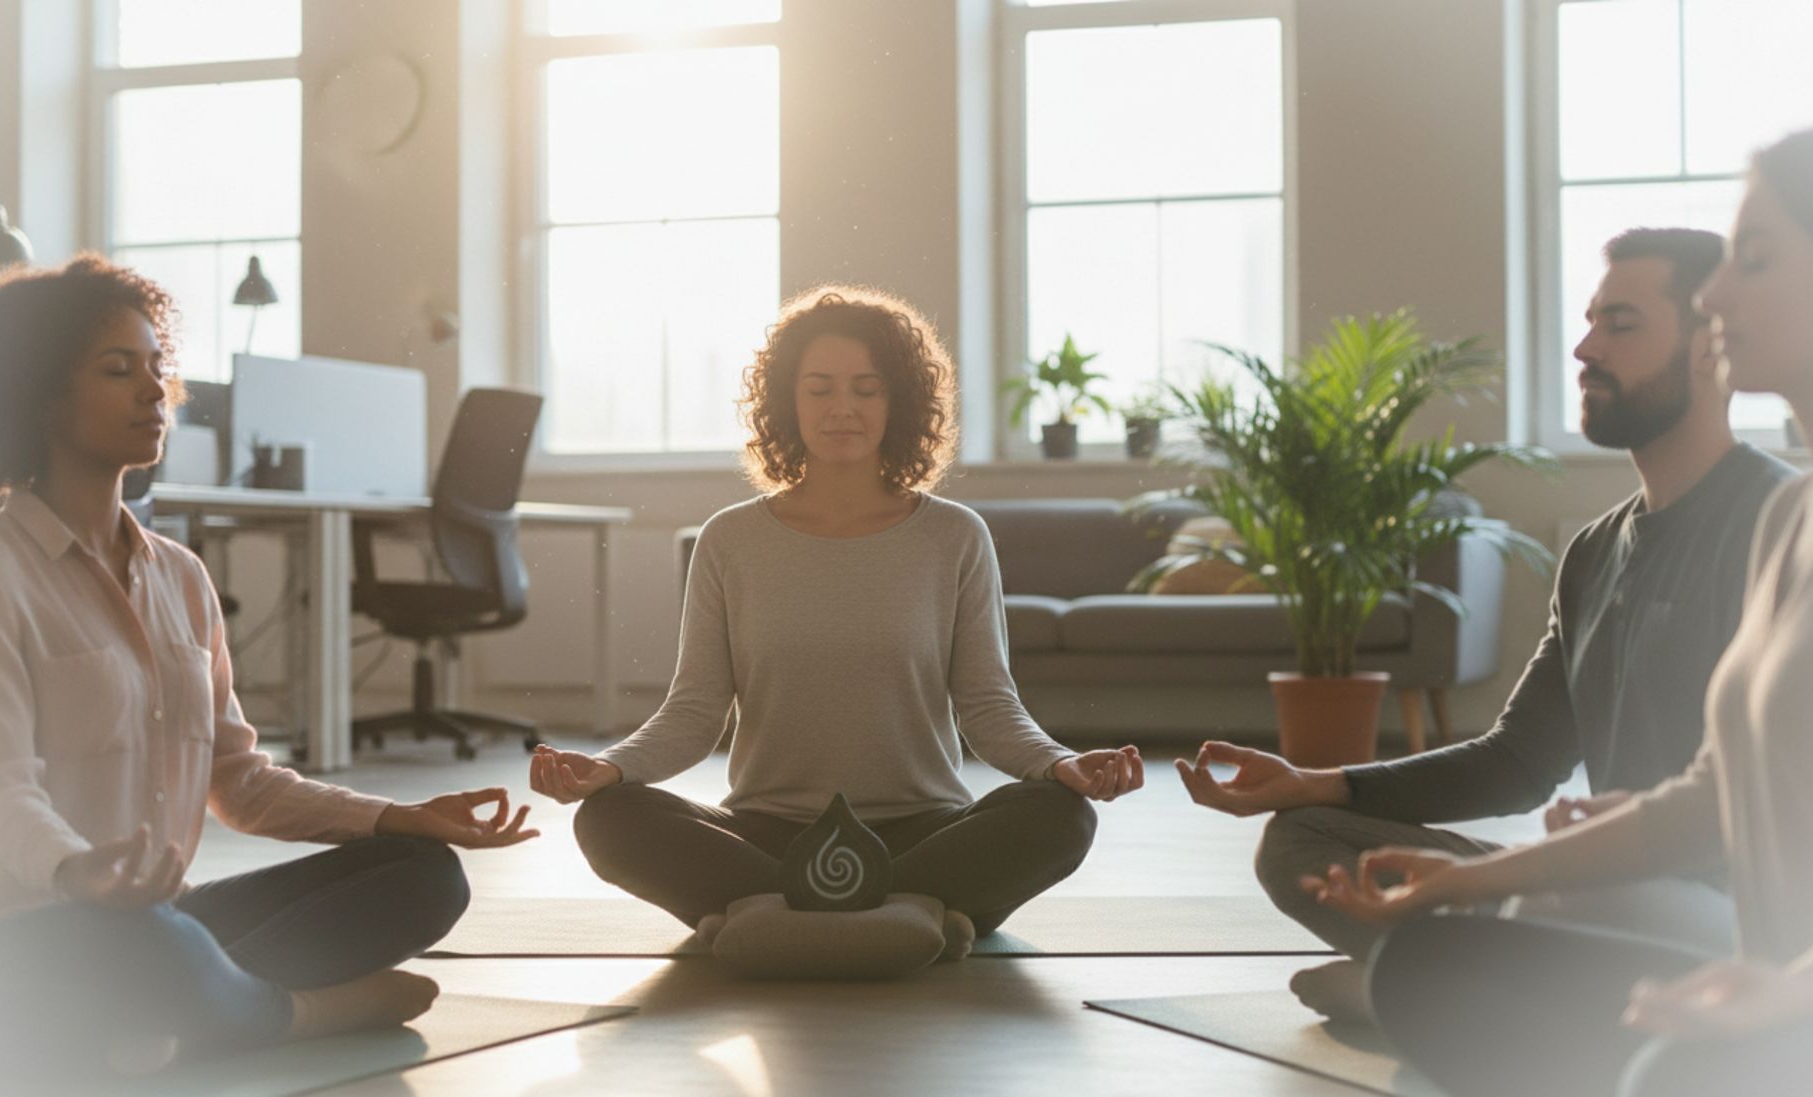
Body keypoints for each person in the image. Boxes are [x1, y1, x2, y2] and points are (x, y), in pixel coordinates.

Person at [0, 256, 538, 1077]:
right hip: (3, 949)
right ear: (40, 395)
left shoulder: (182, 577)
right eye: (117, 369)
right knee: (152, 943)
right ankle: (294, 1014)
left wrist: (401, 818)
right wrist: (78, 871)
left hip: (155, 926)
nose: (153, 389)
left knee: (426, 877)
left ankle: (191, 1008)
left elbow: (240, 782)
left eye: (157, 367)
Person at [1304, 129, 1813, 1097]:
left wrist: (1791, 996)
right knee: (1429, 970)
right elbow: (1703, 795)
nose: (1715, 299)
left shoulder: (1757, 503)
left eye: (1755, 261)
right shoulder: (1793, 519)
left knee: (1656, 1069)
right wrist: (1466, 881)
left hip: (1780, 991)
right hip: (1752, 977)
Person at [1173, 228, 1795, 1010]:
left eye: (1621, 325)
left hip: (1716, 909)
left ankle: (1437, 985)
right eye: (1590, 319)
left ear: (1712, 345)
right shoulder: (1596, 550)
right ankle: (1469, 984)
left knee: (1561, 900)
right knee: (1302, 839)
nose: (1584, 347)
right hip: (1592, 883)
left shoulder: (1779, 523)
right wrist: (1316, 780)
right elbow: (1517, 762)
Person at [525, 285, 1144, 941]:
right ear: (788, 402)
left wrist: (1059, 764)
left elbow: (988, 705)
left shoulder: (956, 536)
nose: (842, 408)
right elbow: (695, 709)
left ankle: (778, 915)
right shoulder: (729, 540)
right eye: (819, 388)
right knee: (605, 819)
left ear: (898, 400)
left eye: (866, 388)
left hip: (921, 826)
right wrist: (610, 768)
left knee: (1062, 816)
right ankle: (908, 913)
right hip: (771, 831)